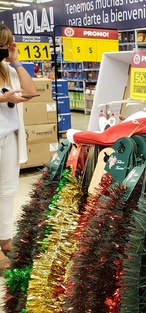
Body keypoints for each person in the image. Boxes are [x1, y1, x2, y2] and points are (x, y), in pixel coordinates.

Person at [0, 24, 37, 273]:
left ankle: (4, 238)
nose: (5, 48)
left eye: (7, 44)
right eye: (3, 44)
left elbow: (31, 91)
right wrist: (2, 98)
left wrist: (15, 61)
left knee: (8, 190)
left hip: (9, 136)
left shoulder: (7, 68)